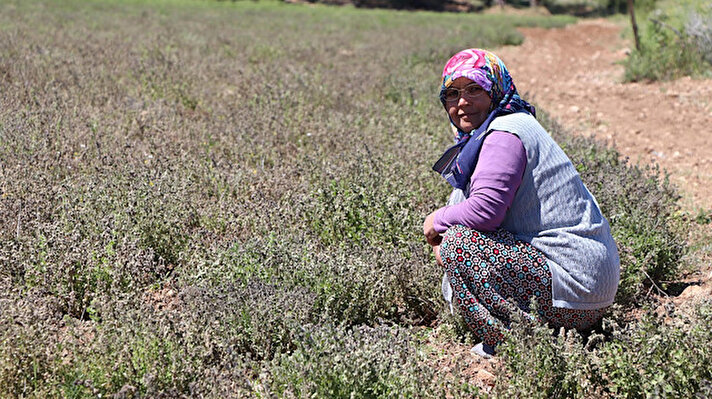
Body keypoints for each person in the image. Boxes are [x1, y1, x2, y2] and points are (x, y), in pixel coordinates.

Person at [422, 49, 620, 358]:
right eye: (452, 93)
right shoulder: (497, 129)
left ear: (496, 90)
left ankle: (514, 343)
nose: (462, 101)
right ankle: (537, 332)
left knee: (460, 243)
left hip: (575, 286)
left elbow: (485, 211)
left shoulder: (504, 133)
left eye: (475, 88)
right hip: (581, 287)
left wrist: (436, 222)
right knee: (457, 242)